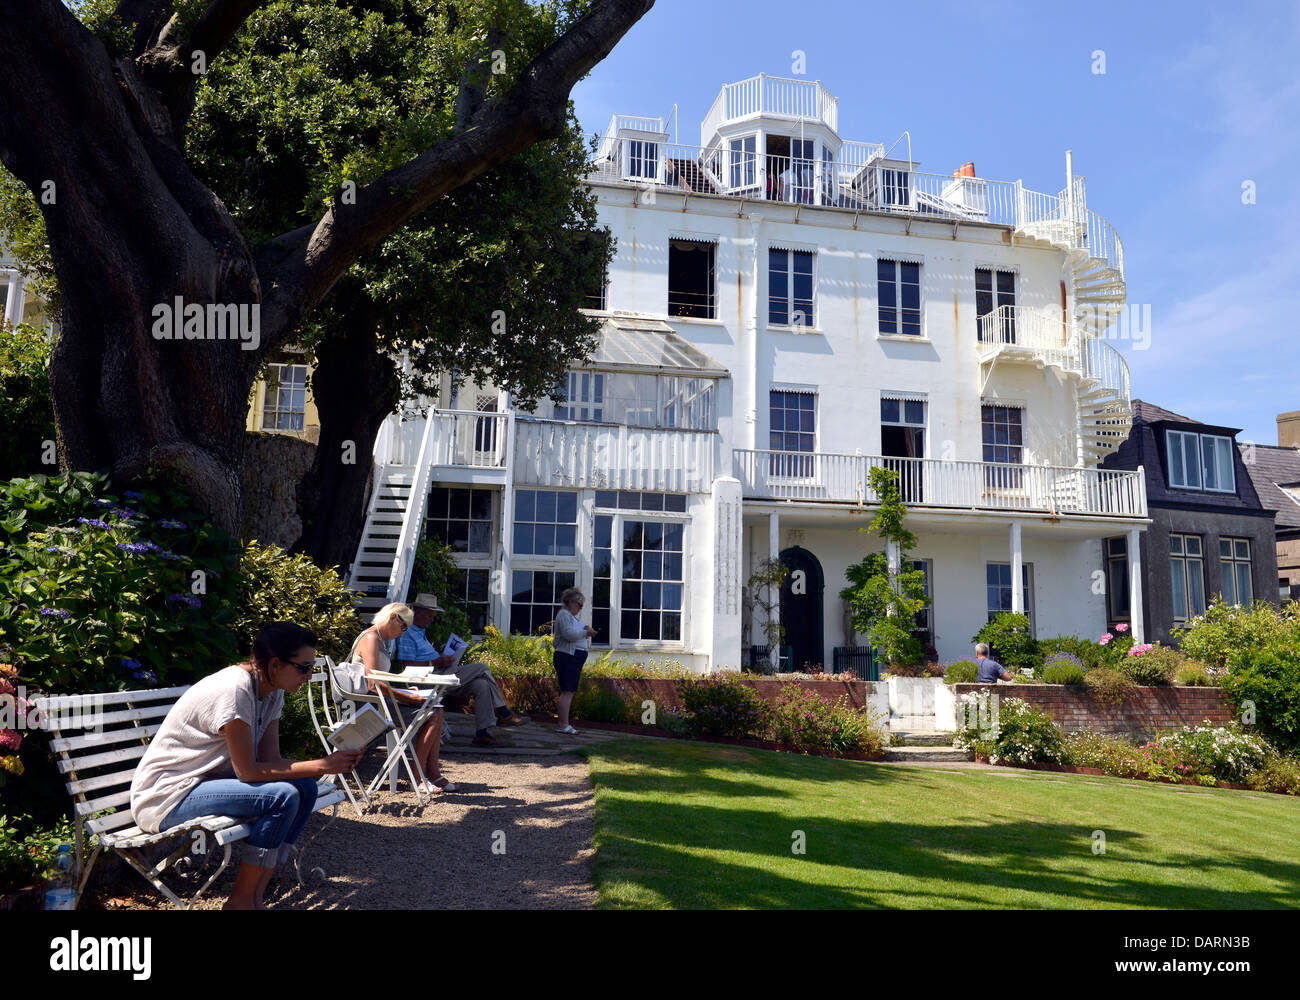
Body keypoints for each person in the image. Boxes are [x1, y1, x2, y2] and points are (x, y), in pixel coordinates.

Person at [129, 622, 364, 910]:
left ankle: (256, 895)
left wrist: (328, 764)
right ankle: (240, 902)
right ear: (275, 664)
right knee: (282, 797)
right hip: (166, 797)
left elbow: (270, 761)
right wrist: (324, 765)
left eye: (312, 666)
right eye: (304, 667)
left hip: (203, 785)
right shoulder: (235, 691)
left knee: (304, 787)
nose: (309, 675)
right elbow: (248, 772)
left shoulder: (272, 688)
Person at [396, 593, 528, 747]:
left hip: (439, 672)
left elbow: (425, 658)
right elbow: (408, 666)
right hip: (427, 680)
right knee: (482, 667)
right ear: (418, 613)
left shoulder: (421, 632)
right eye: (430, 616)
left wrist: (442, 658)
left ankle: (482, 733)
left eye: (433, 616)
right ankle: (504, 712)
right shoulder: (408, 634)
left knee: (481, 685)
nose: (432, 620)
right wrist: (435, 660)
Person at [348, 602, 453, 795]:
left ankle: (432, 773)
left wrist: (402, 690)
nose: (404, 632)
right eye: (404, 626)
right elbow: (373, 684)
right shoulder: (371, 638)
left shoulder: (378, 639)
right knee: (433, 712)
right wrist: (408, 697)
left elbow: (379, 681)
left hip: (376, 702)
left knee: (436, 708)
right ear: (393, 617)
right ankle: (418, 778)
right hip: (368, 707)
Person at [552, 587, 596, 735]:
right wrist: (586, 632)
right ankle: (563, 724)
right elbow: (568, 634)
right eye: (579, 604)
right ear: (570, 602)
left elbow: (574, 631)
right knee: (567, 691)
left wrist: (585, 629)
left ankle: (563, 724)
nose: (580, 608)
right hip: (568, 657)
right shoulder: (564, 614)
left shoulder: (570, 617)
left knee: (569, 691)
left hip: (573, 658)